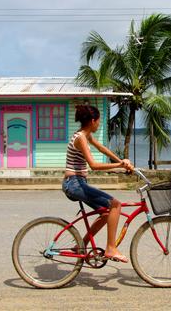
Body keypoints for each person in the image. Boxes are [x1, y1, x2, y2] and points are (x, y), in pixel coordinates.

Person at [62, 104, 134, 262]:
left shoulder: (85, 135)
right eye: (99, 121)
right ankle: (111, 248)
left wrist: (122, 161)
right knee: (116, 205)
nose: (99, 124)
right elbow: (94, 165)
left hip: (77, 182)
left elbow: (101, 149)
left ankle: (80, 245)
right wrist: (120, 165)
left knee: (107, 213)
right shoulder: (81, 137)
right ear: (93, 121)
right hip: (74, 183)